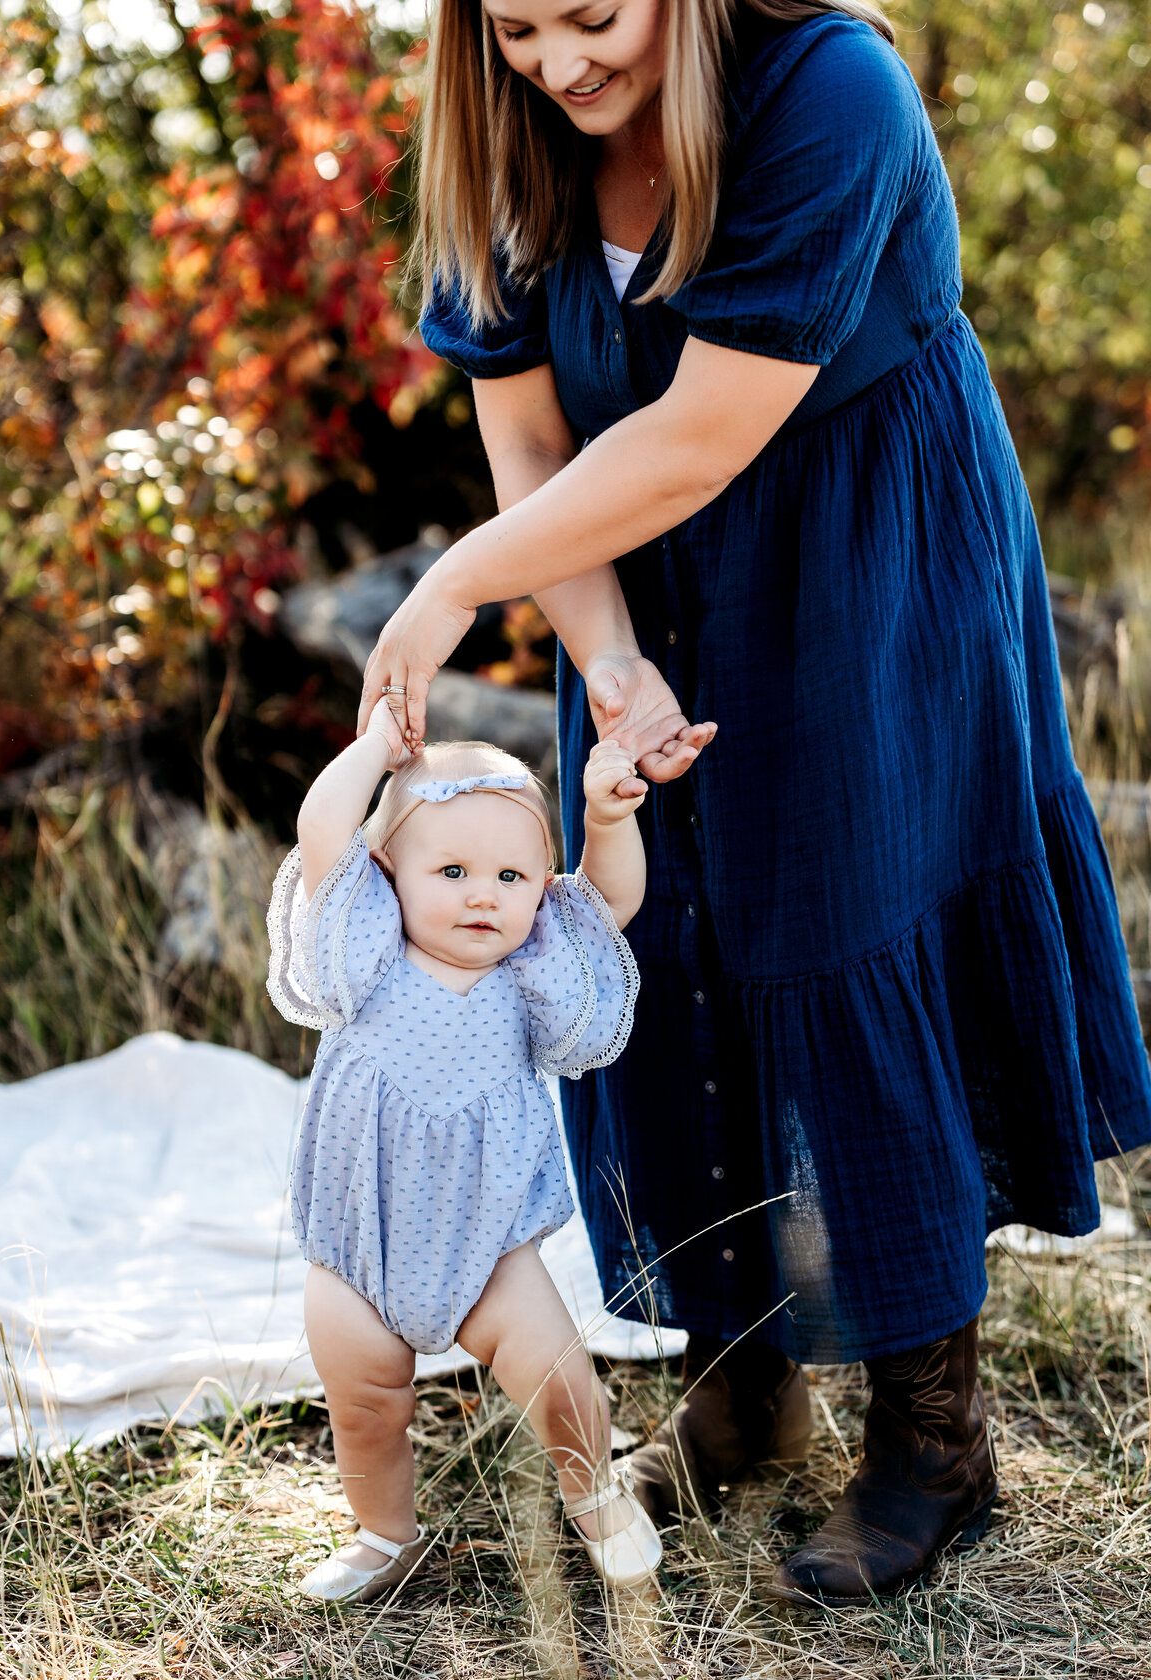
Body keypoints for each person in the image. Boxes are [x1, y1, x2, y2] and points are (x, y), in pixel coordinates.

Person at [351, 0, 1151, 1609]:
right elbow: (534, 446)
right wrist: (611, 661)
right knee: (662, 943)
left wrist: (445, 596)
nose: (563, 64)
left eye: (597, 16)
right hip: (627, 575)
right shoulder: (505, 145)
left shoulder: (829, 87)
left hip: (868, 571)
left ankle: (935, 1444)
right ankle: (742, 1389)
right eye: (517, 27)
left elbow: (705, 435)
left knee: (843, 929)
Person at [265, 695, 661, 1602]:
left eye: (513, 878)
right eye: (451, 869)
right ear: (385, 871)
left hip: (489, 1248)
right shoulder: (362, 948)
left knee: (560, 1381)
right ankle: (383, 1533)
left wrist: (605, 818)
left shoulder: (532, 971)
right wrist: (374, 748)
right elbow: (323, 824)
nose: (485, 894)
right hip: (358, 1242)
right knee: (365, 1403)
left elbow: (612, 903)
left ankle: (594, 1490)